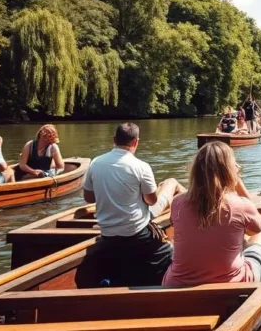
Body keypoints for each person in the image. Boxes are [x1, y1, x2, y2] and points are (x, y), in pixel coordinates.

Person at [76, 123, 186, 288]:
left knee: (164, 185)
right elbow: (152, 201)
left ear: (114, 140)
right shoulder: (141, 167)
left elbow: (89, 197)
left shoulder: (96, 163)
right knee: (171, 183)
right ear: (136, 142)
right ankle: (192, 202)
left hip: (108, 233)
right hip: (136, 232)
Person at [163, 142, 261, 287]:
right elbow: (256, 228)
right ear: (229, 171)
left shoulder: (177, 203)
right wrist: (237, 183)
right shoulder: (241, 204)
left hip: (176, 284)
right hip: (233, 284)